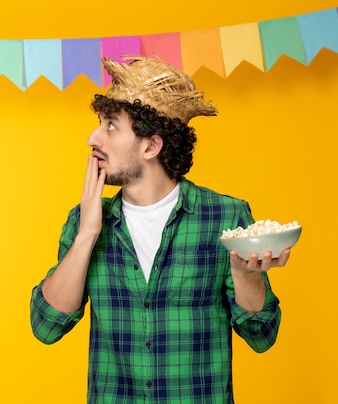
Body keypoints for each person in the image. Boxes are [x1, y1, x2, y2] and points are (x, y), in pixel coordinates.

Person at [29, 56, 289, 403]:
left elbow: (261, 335)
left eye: (110, 126)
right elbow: (46, 327)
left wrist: (247, 275)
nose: (93, 137)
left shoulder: (225, 216)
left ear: (151, 146)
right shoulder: (85, 220)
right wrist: (88, 234)